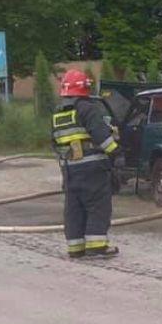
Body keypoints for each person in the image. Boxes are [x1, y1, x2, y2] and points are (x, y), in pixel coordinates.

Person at [52, 69, 120, 258]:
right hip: (92, 169)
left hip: (70, 169)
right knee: (97, 206)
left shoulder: (58, 114)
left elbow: (55, 143)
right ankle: (97, 245)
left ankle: (75, 247)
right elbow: (102, 137)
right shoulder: (87, 109)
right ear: (84, 88)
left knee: (74, 208)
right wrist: (117, 152)